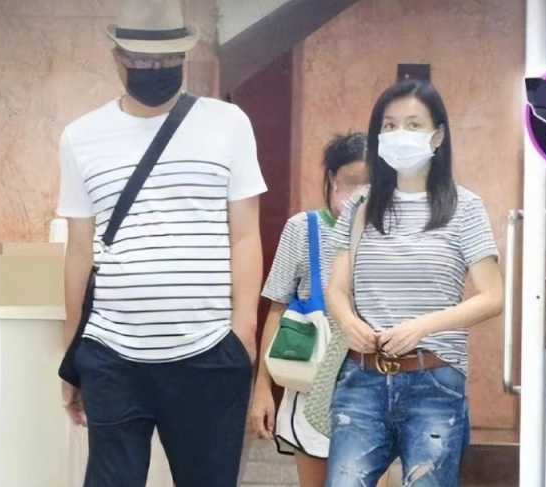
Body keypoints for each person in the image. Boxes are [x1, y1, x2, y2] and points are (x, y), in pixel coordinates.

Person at [54, 1, 267, 485]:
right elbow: (79, 251)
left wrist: (243, 332)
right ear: (117, 58)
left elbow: (245, 235)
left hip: (209, 350)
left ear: (184, 56)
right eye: (141, 60)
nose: (154, 69)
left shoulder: (229, 124)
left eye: (167, 60)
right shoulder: (80, 137)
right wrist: (72, 357)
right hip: (110, 351)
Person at [324, 79, 504, 486]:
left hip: (434, 381)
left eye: (413, 124)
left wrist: (421, 327)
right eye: (388, 126)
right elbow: (336, 288)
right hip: (362, 380)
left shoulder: (464, 206)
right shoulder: (360, 206)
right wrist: (349, 323)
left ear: (437, 136)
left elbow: (493, 296)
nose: (398, 134)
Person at [249, 133, 368, 487]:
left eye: (372, 183)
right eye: (352, 181)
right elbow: (276, 309)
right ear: (332, 178)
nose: (361, 192)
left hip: (370, 391)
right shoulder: (303, 229)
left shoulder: (385, 236)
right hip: (311, 387)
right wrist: (262, 389)